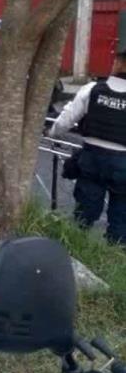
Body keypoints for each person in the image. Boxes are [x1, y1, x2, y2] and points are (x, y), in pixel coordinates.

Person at [49, 50, 126, 245]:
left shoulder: (92, 89)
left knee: (85, 214)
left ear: (117, 64)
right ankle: (114, 260)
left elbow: (66, 119)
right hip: (123, 163)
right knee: (121, 218)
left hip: (92, 158)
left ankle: (77, 251)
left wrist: (52, 132)